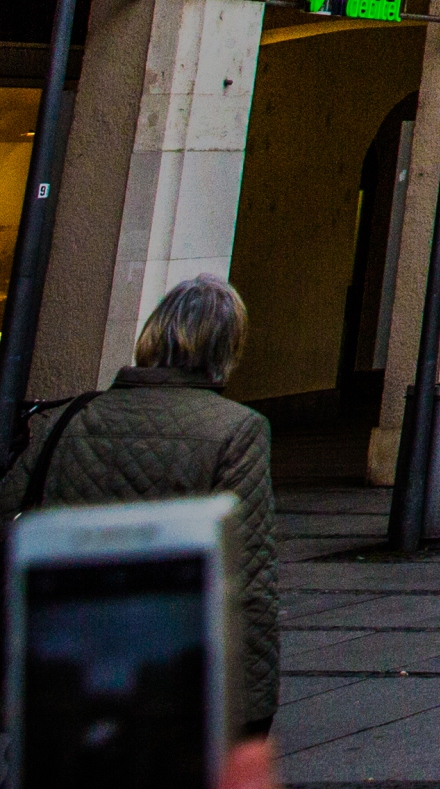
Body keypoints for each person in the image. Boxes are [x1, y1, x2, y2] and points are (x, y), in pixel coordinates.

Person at [5, 275, 280, 741]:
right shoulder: (237, 430)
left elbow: (11, 520)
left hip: (61, 657)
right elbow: (248, 580)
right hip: (164, 664)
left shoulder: (71, 417)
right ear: (227, 348)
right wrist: (251, 709)